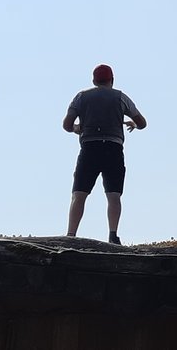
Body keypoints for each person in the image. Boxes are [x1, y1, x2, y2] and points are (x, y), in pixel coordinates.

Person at [62, 64, 147, 245]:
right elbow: (142, 122)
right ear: (112, 80)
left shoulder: (81, 97)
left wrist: (77, 129)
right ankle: (113, 234)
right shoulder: (120, 97)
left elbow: (67, 124)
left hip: (89, 147)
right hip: (113, 147)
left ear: (93, 80)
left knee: (79, 193)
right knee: (113, 195)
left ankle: (70, 235)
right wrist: (133, 123)